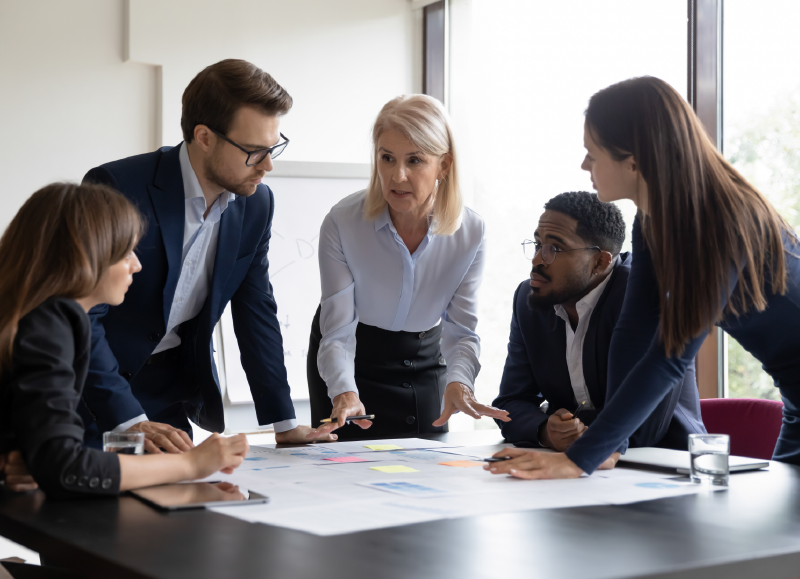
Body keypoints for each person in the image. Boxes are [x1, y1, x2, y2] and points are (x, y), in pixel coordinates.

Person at [487, 75, 800, 479]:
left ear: (633, 160)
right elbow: (634, 333)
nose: (585, 165)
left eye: (592, 154)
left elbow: (669, 357)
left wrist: (578, 459)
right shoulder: (652, 222)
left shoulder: (717, 223)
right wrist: (608, 445)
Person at [82, 59, 335, 450]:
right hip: (94, 391)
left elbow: (256, 311)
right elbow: (86, 313)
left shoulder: (256, 204)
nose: (267, 166)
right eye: (253, 152)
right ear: (204, 137)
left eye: (274, 147)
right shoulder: (118, 186)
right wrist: (128, 418)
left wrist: (283, 422)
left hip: (169, 394)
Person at [0, 182, 249, 499]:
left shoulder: (29, 315)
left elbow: (50, 456)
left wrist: (21, 456)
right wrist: (192, 464)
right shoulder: (53, 322)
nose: (137, 264)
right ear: (85, 255)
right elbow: (66, 465)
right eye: (126, 252)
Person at [307, 94, 510, 440]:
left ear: (443, 166)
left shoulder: (471, 232)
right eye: (387, 158)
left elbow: (461, 331)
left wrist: (460, 381)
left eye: (415, 160)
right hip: (352, 358)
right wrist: (344, 390)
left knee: (427, 476)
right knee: (346, 475)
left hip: (424, 361)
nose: (397, 176)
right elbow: (338, 333)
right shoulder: (342, 223)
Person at [492, 191, 704, 451]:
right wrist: (545, 430)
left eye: (554, 249)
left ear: (600, 262)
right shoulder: (530, 299)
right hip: (576, 464)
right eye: (538, 245)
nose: (537, 260)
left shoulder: (647, 297)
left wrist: (568, 426)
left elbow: (642, 426)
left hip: (663, 464)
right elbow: (510, 402)